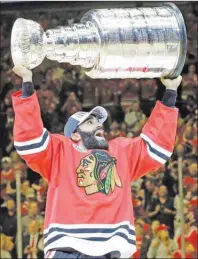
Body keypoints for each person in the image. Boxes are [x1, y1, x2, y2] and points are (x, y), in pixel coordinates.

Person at [12, 65, 181, 258]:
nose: (100, 125)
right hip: (67, 248)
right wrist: (27, 85)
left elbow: (156, 146)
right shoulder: (60, 150)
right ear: (75, 135)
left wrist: (170, 93)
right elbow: (30, 140)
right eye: (91, 122)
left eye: (100, 122)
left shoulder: (121, 150)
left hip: (110, 249)